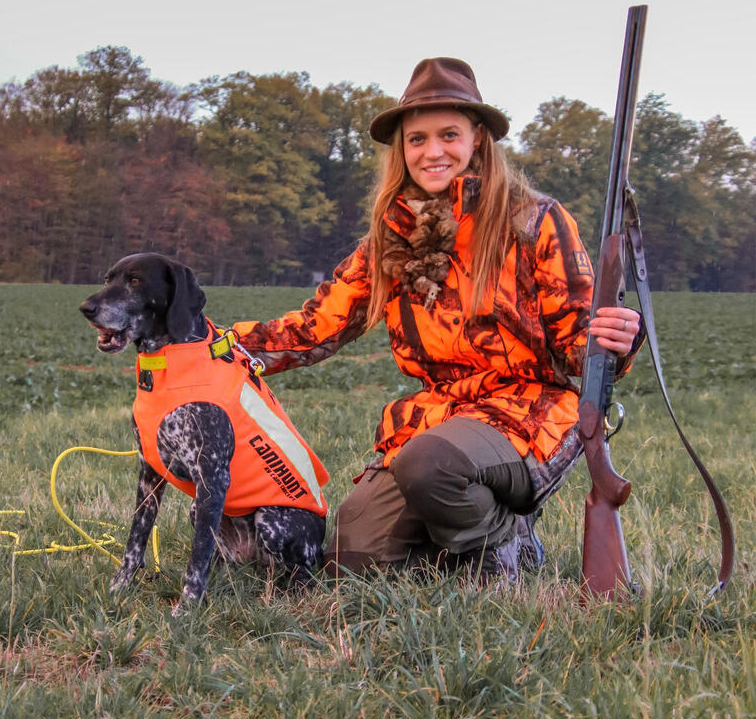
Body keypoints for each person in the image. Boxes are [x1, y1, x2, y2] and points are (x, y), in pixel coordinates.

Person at [232, 57, 642, 583]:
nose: (433, 151)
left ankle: (504, 545)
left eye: (449, 134)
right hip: (438, 417)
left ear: (477, 140)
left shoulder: (535, 219)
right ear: (402, 151)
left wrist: (614, 339)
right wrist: (214, 346)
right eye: (417, 139)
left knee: (430, 465)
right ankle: (457, 538)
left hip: (530, 412)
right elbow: (316, 327)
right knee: (353, 561)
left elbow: (578, 348)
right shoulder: (390, 238)